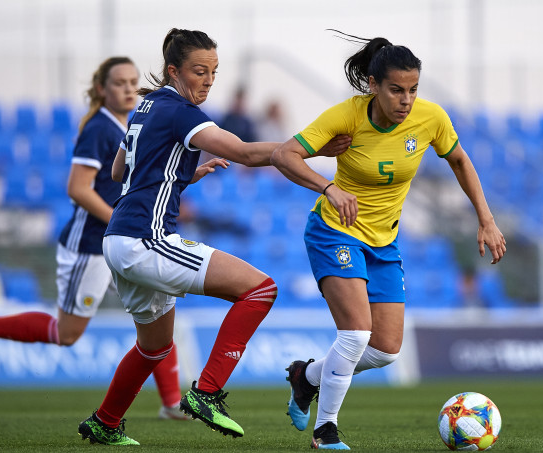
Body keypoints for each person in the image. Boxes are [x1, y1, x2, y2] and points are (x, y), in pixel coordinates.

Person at [75, 28, 351, 446]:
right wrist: (311, 147)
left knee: (154, 347)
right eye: (199, 71)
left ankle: (104, 422)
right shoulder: (180, 111)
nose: (207, 80)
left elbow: (118, 172)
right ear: (174, 70)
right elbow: (242, 152)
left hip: (119, 239)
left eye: (214, 72)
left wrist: (182, 171)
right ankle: (206, 393)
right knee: (260, 290)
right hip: (147, 238)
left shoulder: (145, 106)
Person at [271, 34, 507, 450]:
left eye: (413, 89)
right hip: (335, 232)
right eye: (396, 90)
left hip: (384, 241)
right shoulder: (346, 116)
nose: (406, 100)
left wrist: (486, 219)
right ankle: (326, 431)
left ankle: (305, 377)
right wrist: (329, 188)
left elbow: (459, 159)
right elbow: (284, 154)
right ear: (373, 85)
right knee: (356, 334)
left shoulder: (431, 118)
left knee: (385, 350)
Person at [0, 56, 193, 421]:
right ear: (101, 89)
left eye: (132, 81)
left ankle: (172, 402)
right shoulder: (99, 128)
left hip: (124, 240)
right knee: (67, 333)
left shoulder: (133, 125)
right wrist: (122, 222)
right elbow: (78, 189)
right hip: (91, 245)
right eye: (119, 83)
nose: (128, 89)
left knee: (158, 307)